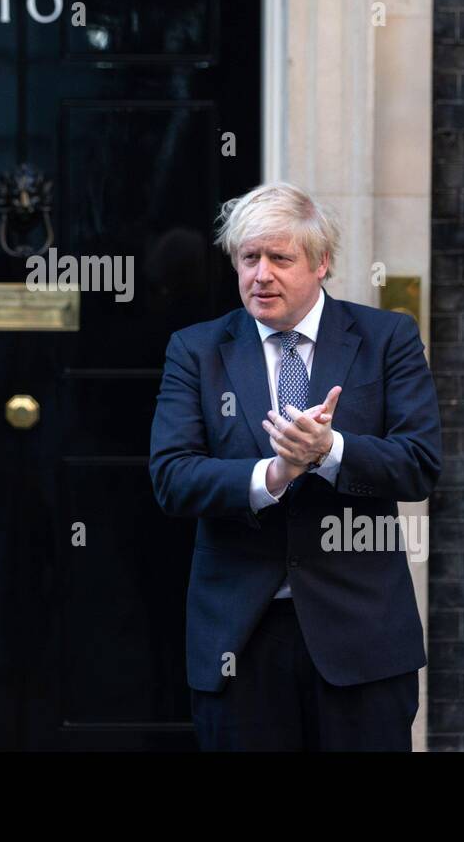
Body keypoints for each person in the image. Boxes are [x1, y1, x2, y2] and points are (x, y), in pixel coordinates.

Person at [148, 182, 441, 751]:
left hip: (361, 639)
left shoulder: (387, 339)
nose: (261, 274)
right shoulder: (196, 350)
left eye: (280, 258)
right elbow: (173, 477)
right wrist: (274, 475)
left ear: (322, 262)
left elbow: (419, 464)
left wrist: (328, 451)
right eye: (249, 257)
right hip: (241, 639)